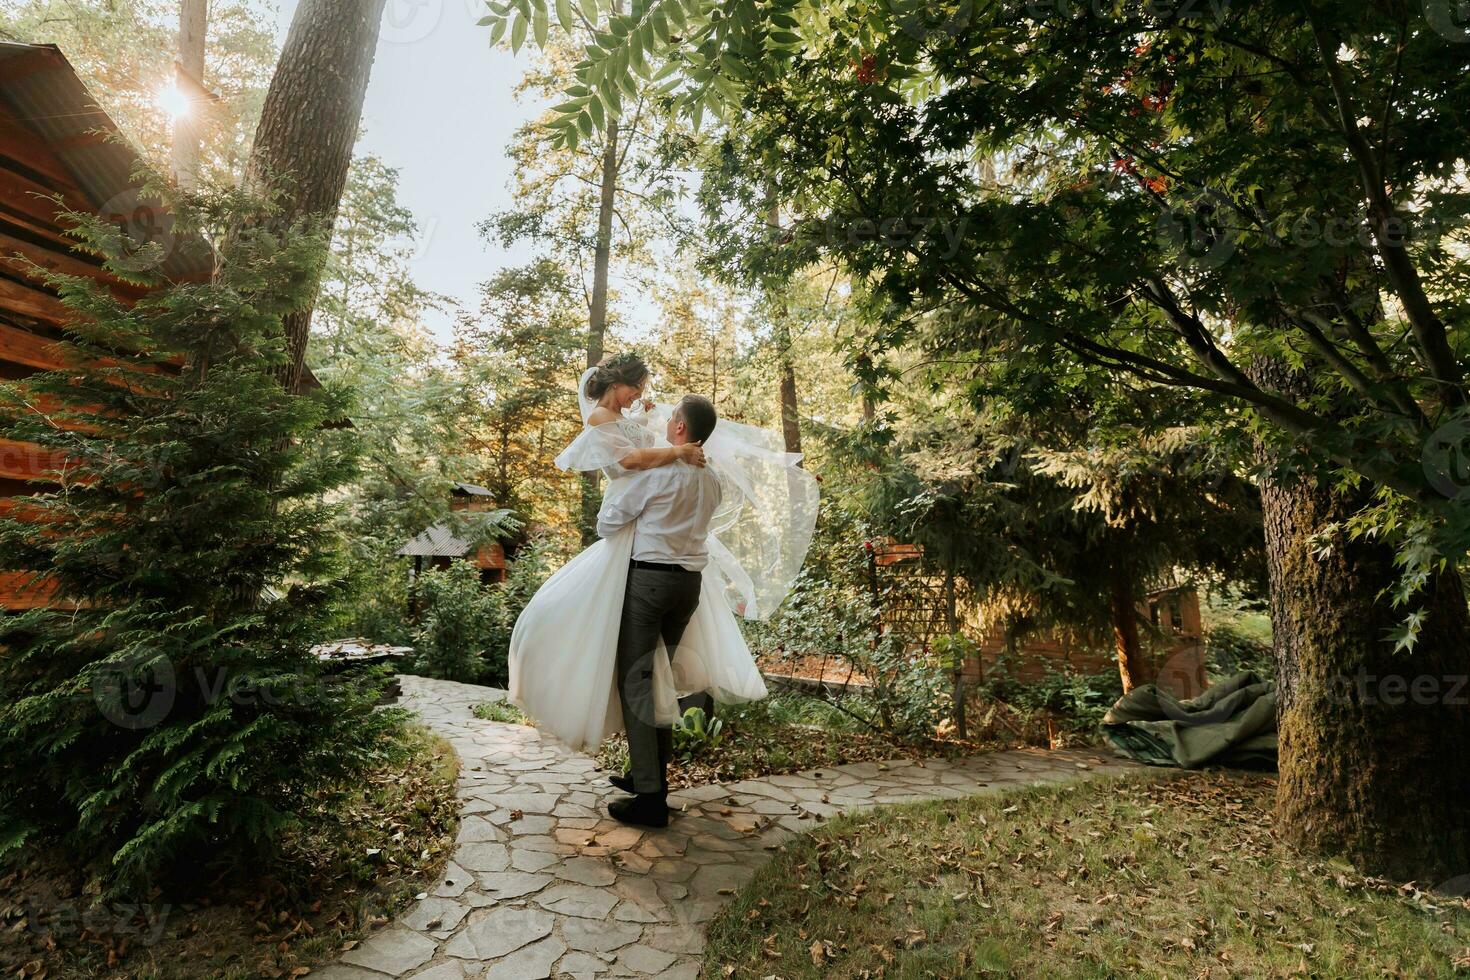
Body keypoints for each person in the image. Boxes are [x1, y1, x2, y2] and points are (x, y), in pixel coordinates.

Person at [507, 352, 819, 824]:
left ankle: (651, 798)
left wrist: (629, 500)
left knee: (637, 680)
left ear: (679, 430)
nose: (656, 412)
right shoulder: (711, 479)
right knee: (662, 680)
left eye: (670, 417)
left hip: (648, 583)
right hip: (688, 587)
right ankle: (643, 774)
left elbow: (607, 521)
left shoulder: (658, 473)